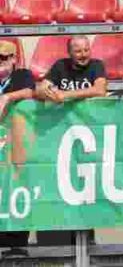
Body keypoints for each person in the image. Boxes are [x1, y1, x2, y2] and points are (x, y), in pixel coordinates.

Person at [0, 41, 33, 258]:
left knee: (15, 190)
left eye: (3, 58)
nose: (0, 63)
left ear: (13, 59)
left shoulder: (22, 76)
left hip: (14, 145)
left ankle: (16, 245)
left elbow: (31, 92)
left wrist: (8, 96)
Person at [36, 36, 108, 103]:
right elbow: (41, 90)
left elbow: (100, 90)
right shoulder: (60, 65)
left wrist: (66, 94)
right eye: (78, 51)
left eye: (86, 50)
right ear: (69, 52)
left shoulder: (96, 65)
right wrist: (51, 94)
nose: (84, 55)